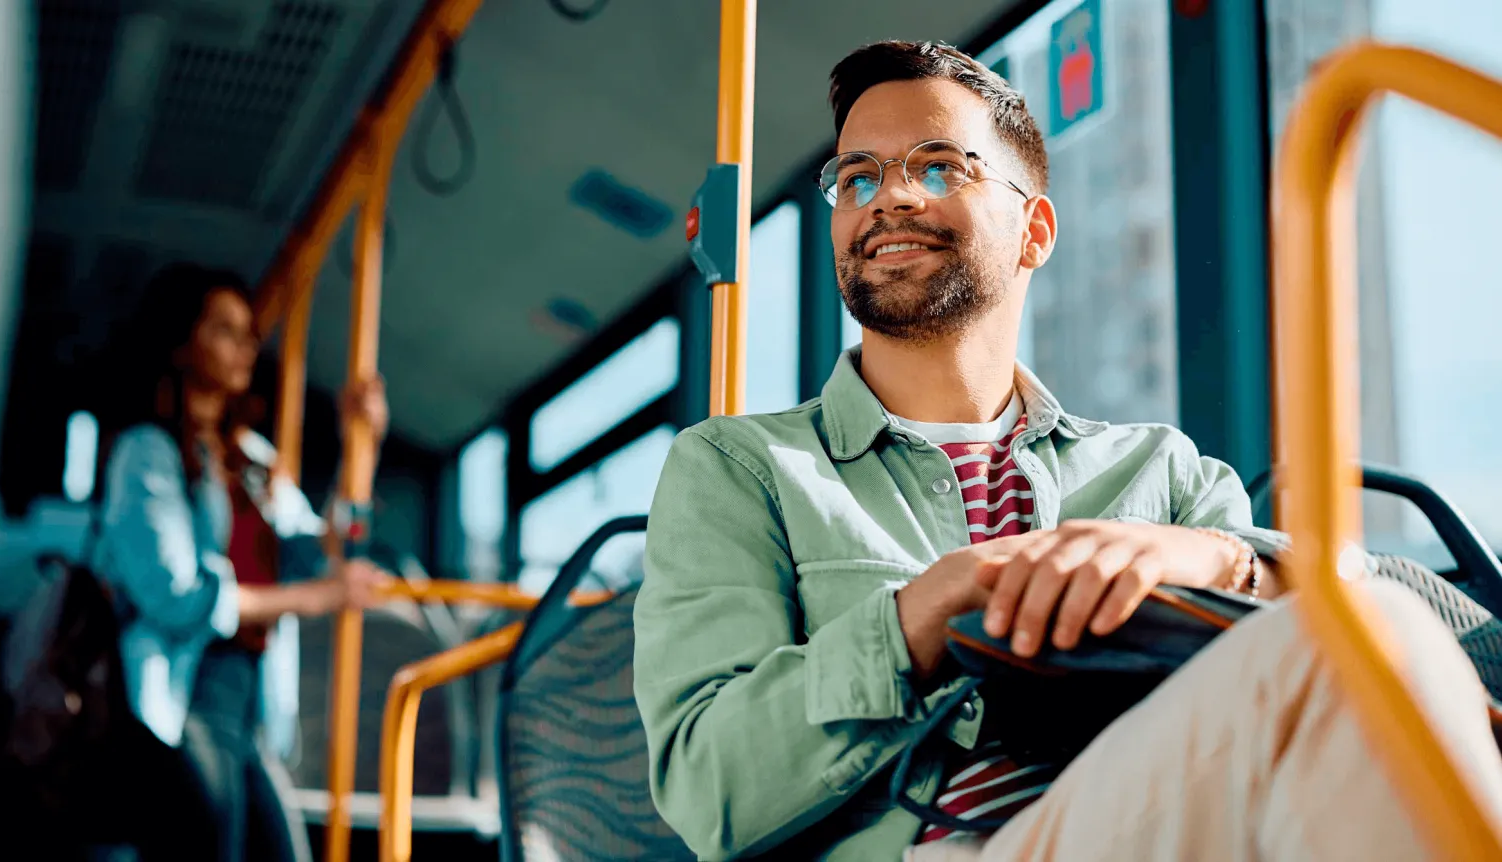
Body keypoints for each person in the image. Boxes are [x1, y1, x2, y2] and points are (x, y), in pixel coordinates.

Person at [632, 40, 1502, 862]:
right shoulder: (741, 469)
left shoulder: (1161, 471)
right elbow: (710, 791)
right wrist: (927, 613)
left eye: (939, 167)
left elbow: (1303, 652)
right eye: (856, 179)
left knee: (1367, 643)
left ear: (1034, 231)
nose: (889, 198)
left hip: (1167, 820)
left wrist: (1212, 557)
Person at [93, 262, 394, 862]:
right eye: (225, 329)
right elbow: (174, 596)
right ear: (182, 344)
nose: (245, 345)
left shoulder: (252, 459)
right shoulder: (146, 453)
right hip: (186, 690)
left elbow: (321, 548)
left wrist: (364, 443)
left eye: (248, 333)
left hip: (253, 694)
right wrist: (315, 599)